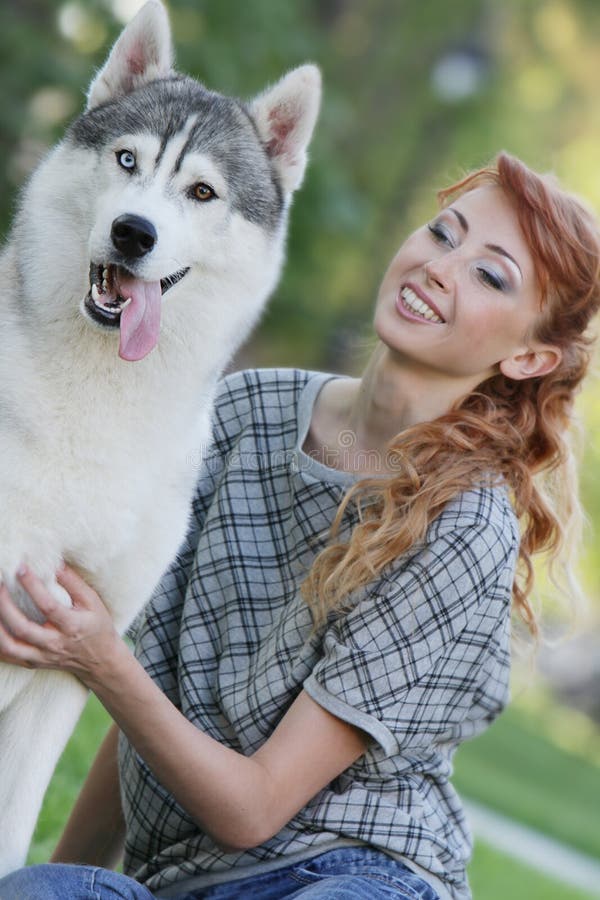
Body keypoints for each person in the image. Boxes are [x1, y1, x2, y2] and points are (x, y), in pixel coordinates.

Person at [0, 151, 598, 900]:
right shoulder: (243, 412)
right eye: (444, 234)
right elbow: (154, 696)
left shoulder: (463, 526)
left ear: (529, 355)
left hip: (355, 879)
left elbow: (251, 809)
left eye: (491, 275)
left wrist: (100, 661)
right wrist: (49, 878)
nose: (443, 267)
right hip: (183, 883)